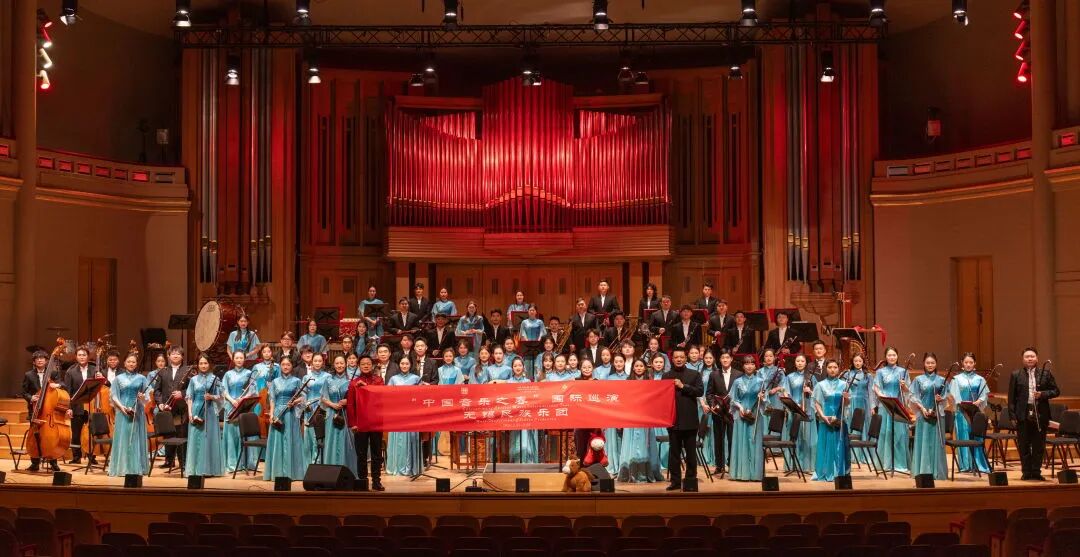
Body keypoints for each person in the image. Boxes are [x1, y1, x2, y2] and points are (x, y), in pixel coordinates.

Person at [1008, 347, 1059, 481]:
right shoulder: (1016, 374)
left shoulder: (1045, 374)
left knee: (1038, 445)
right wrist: (1012, 416)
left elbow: (1056, 391)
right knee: (1023, 445)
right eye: (1027, 356)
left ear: (1037, 358)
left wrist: (1042, 394)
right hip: (1023, 414)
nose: (1030, 358)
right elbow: (1011, 398)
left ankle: (1036, 471)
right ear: (1022, 359)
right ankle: (1026, 472)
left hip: (1040, 414)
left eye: (1032, 356)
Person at [663, 347, 704, 492]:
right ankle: (675, 482)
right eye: (676, 357)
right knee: (674, 453)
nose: (679, 359)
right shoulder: (666, 376)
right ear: (672, 359)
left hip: (690, 420)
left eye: (681, 357)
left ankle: (690, 481)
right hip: (673, 420)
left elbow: (700, 391)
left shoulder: (694, 374)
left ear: (686, 359)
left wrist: (683, 386)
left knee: (691, 453)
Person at [619, 358, 665, 483]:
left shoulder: (650, 382)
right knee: (631, 445)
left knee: (646, 445)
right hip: (631, 417)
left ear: (645, 368)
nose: (639, 368)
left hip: (646, 418)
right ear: (633, 368)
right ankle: (632, 472)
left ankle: (647, 472)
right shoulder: (627, 382)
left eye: (641, 366)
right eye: (636, 366)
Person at [347, 355, 386, 490]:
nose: (366, 366)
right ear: (359, 366)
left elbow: (381, 397)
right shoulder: (353, 383)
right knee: (361, 454)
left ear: (372, 365)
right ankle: (363, 481)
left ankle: (376, 481)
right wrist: (353, 423)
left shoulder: (379, 380)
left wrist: (366, 387)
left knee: (376, 454)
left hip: (376, 422)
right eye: (363, 364)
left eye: (368, 363)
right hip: (360, 423)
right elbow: (350, 405)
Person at [948, 352, 991, 474]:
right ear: (962, 363)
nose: (968, 364)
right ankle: (966, 464)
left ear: (974, 363)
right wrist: (961, 403)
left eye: (971, 362)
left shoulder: (980, 379)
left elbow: (984, 395)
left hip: (975, 412)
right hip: (962, 412)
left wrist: (979, 401)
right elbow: (953, 396)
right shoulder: (956, 379)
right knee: (963, 436)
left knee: (976, 436)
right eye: (966, 362)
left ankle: (977, 463)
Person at [108, 353, 149, 477]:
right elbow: (114, 395)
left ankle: (136, 468)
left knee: (135, 437)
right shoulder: (118, 378)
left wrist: (142, 397)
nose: (131, 364)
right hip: (122, 411)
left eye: (133, 362)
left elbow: (147, 398)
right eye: (129, 362)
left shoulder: (142, 378)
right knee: (123, 438)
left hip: (137, 411)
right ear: (124, 363)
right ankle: (122, 468)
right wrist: (122, 408)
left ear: (136, 364)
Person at [264, 357, 305, 482]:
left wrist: (294, 402)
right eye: (283, 364)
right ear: (280, 366)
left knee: (291, 440)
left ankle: (292, 473)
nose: (286, 367)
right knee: (278, 441)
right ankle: (277, 472)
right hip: (278, 413)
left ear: (292, 366)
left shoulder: (297, 381)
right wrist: (271, 415)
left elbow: (303, 397)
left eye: (288, 364)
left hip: (291, 414)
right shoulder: (275, 381)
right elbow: (272, 400)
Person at [909, 352, 949, 480]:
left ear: (936, 364)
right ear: (924, 364)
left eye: (932, 363)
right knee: (923, 441)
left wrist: (940, 399)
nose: (930, 365)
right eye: (927, 363)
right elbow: (913, 396)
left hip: (936, 415)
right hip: (923, 415)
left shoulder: (942, 380)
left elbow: (947, 398)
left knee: (937, 442)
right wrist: (922, 408)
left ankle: (937, 472)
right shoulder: (918, 379)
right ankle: (922, 471)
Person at [811, 359, 851, 481]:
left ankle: (839, 472)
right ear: (826, 369)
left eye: (835, 367)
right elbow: (817, 403)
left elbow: (847, 404)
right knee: (825, 446)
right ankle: (825, 471)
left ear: (838, 369)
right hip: (825, 419)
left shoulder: (844, 384)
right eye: (830, 367)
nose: (832, 370)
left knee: (839, 446)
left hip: (839, 419)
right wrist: (823, 417)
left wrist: (846, 398)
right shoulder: (820, 385)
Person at [873, 347, 911, 474]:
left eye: (894, 355)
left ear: (897, 356)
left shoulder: (903, 371)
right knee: (885, 433)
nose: (892, 357)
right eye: (889, 355)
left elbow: (908, 391)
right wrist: (884, 398)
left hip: (898, 405)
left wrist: (904, 386)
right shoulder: (880, 372)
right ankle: (886, 462)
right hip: (885, 405)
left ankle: (900, 463)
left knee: (899, 433)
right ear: (885, 357)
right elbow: (876, 388)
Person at [185, 353, 224, 477]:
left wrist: (211, 396)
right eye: (201, 363)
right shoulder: (193, 380)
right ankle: (195, 469)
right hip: (196, 411)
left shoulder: (215, 379)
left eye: (205, 363)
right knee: (196, 439)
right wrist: (190, 412)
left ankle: (208, 469)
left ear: (209, 364)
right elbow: (189, 397)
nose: (203, 365)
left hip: (210, 411)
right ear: (198, 365)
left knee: (208, 439)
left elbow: (221, 396)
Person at [23, 350, 62, 472]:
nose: (40, 360)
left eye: (42, 358)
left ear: (46, 361)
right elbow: (24, 392)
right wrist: (31, 397)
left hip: (49, 410)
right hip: (35, 409)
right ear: (34, 362)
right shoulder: (28, 375)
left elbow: (63, 384)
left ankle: (53, 462)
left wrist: (58, 385)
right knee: (35, 436)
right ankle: (35, 462)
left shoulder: (53, 373)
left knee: (51, 437)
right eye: (37, 359)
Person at [63, 346, 102, 465]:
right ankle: (76, 457)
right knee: (76, 433)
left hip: (92, 406)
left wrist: (101, 377)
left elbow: (102, 386)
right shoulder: (70, 371)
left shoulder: (95, 369)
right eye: (79, 355)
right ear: (76, 357)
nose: (82, 357)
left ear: (88, 356)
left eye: (84, 355)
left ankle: (92, 456)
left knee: (92, 432)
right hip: (77, 406)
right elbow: (68, 391)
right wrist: (68, 408)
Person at [729, 356, 766, 481]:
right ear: (743, 366)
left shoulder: (761, 381)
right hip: (742, 414)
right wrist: (740, 408)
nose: (749, 366)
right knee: (742, 441)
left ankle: (755, 474)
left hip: (755, 415)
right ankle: (741, 473)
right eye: (746, 364)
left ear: (755, 366)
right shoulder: (737, 381)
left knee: (754, 442)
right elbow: (733, 399)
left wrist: (762, 397)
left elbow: (766, 401)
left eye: (752, 364)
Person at [154, 346, 190, 469]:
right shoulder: (163, 371)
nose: (175, 355)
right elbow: (157, 390)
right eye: (173, 353)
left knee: (181, 434)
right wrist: (160, 403)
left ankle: (183, 462)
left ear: (182, 356)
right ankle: (169, 461)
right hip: (167, 407)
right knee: (168, 434)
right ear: (168, 356)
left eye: (178, 354)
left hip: (181, 408)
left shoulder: (187, 371)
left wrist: (182, 394)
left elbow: (192, 389)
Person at [705, 349, 740, 474]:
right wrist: (712, 405)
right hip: (718, 411)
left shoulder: (738, 374)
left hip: (732, 412)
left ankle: (732, 464)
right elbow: (709, 393)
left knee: (732, 438)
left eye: (727, 357)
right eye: (723, 358)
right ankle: (719, 465)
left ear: (731, 359)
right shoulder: (714, 374)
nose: (725, 360)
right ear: (719, 360)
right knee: (718, 438)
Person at [321, 355, 357, 475]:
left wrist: (348, 401)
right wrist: (333, 404)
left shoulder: (351, 381)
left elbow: (356, 398)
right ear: (334, 365)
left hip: (346, 414)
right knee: (331, 441)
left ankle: (347, 472)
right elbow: (323, 398)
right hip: (332, 414)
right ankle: (330, 472)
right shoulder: (328, 380)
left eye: (342, 363)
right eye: (337, 363)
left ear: (346, 364)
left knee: (346, 441)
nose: (339, 365)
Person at [385, 357, 422, 476]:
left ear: (410, 365)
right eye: (402, 363)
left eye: (407, 363)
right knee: (397, 441)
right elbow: (387, 396)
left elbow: (421, 397)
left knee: (411, 440)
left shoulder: (416, 378)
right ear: (399, 365)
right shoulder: (393, 379)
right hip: (397, 414)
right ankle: (396, 466)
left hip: (412, 414)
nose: (404, 366)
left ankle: (411, 467)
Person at [222, 351, 256, 473]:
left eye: (241, 358)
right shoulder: (228, 374)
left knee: (244, 434)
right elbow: (224, 390)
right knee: (231, 435)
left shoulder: (249, 373)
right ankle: (232, 464)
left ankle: (245, 462)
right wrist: (232, 400)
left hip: (243, 406)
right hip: (231, 406)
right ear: (233, 359)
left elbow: (253, 390)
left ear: (244, 359)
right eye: (237, 357)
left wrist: (243, 399)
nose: (239, 360)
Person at [784, 354, 816, 474]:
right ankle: (793, 464)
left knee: (806, 436)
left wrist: (810, 391)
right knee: (795, 435)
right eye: (798, 361)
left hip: (807, 408)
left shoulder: (811, 377)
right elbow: (787, 393)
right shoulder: (789, 377)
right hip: (795, 408)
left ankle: (807, 465)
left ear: (806, 363)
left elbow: (818, 394)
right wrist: (793, 404)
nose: (800, 363)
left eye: (802, 361)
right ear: (795, 363)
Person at [301, 353, 331, 464]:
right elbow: (303, 394)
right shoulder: (306, 377)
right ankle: (309, 463)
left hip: (323, 408)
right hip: (309, 408)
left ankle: (320, 461)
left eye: (320, 361)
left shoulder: (328, 376)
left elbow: (329, 392)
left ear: (323, 363)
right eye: (315, 361)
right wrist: (305, 404)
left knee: (320, 435)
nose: (317, 363)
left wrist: (324, 404)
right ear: (311, 362)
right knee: (310, 435)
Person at [843, 353, 874, 464]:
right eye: (855, 361)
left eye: (860, 361)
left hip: (864, 403)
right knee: (852, 426)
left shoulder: (868, 375)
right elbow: (844, 389)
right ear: (852, 361)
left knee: (864, 427)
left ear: (863, 362)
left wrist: (872, 406)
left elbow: (871, 392)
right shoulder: (847, 374)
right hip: (851, 403)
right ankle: (853, 456)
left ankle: (864, 455)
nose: (857, 363)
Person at [507, 359, 538, 463]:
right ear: (512, 368)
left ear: (523, 367)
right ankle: (516, 462)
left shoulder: (527, 382)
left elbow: (530, 399)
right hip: (513, 415)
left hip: (525, 414)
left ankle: (527, 461)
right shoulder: (509, 382)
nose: (517, 367)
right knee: (515, 440)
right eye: (515, 366)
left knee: (525, 441)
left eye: (520, 365)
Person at [603, 354, 629, 474]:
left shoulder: (629, 378)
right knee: (613, 441)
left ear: (624, 362)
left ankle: (624, 466)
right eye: (616, 362)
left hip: (625, 413)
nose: (618, 364)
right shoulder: (609, 378)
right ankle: (614, 465)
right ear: (613, 363)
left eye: (621, 361)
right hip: (612, 413)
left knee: (624, 441)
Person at [694, 350, 718, 469]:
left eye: (710, 358)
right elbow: (697, 389)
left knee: (712, 430)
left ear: (714, 359)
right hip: (701, 404)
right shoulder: (699, 372)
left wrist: (713, 404)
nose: (708, 360)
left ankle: (714, 456)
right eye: (706, 358)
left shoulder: (718, 372)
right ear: (703, 359)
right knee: (702, 429)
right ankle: (702, 456)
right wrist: (703, 403)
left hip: (714, 405)